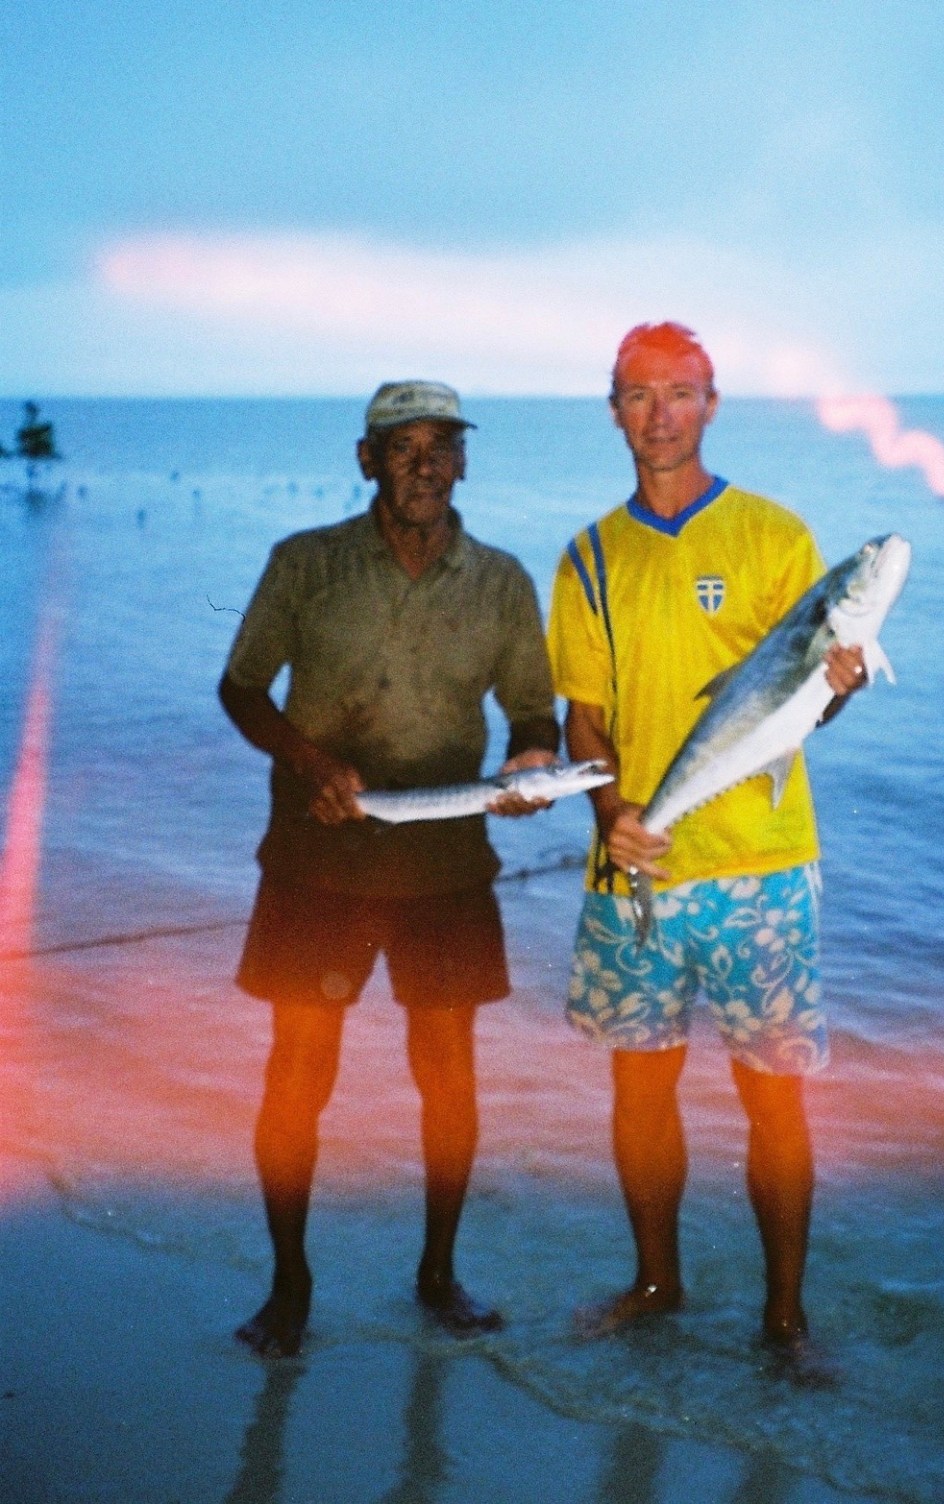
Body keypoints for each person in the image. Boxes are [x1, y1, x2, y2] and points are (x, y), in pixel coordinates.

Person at [546, 324, 866, 1380]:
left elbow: (803, 701)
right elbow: (583, 716)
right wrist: (610, 814)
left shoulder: (776, 536)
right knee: (640, 1093)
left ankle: (785, 1319)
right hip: (635, 871)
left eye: (680, 392)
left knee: (774, 1096)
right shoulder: (588, 558)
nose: (660, 414)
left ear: (713, 404)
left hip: (762, 863)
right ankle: (655, 1284)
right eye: (639, 394)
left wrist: (835, 687)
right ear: (613, 411)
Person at [219, 380, 559, 1357]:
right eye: (402, 447)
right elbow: (241, 690)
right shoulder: (305, 563)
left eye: (440, 447)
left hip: (446, 864)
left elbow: (531, 710)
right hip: (316, 859)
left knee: (449, 1077)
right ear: (366, 460)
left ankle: (439, 1273)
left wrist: (533, 760)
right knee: (298, 1074)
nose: (424, 465)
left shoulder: (501, 581)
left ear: (464, 462)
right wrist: (310, 763)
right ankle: (289, 1285)